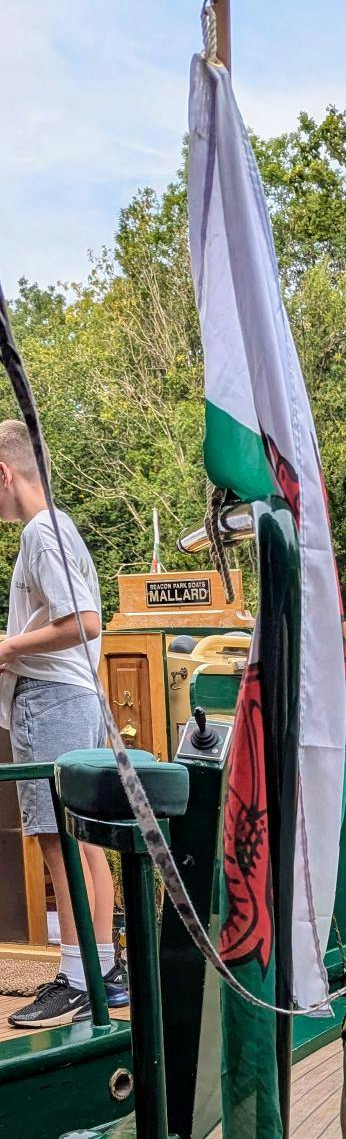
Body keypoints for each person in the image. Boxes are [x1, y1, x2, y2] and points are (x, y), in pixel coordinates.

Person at [0, 419, 126, 1025]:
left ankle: (78, 979)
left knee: (58, 844)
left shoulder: (40, 535)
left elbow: (86, 620)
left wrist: (7, 648)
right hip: (71, 697)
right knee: (82, 841)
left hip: (52, 698)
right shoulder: (59, 529)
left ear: (4, 473)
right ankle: (99, 968)